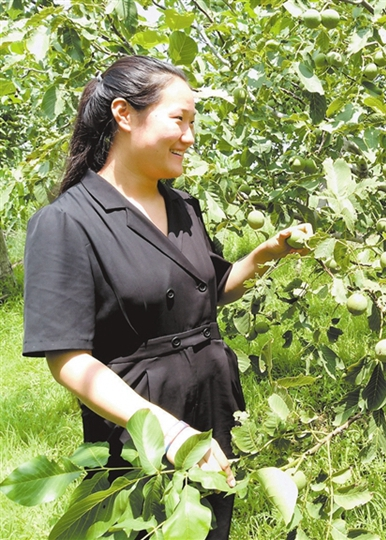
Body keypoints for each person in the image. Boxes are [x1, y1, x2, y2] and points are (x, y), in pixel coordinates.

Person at [22, 55, 312, 540]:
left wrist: (267, 254)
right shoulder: (67, 222)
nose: (190, 137)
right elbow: (68, 359)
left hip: (213, 402)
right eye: (179, 119)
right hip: (140, 424)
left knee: (211, 526)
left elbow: (211, 290)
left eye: (193, 122)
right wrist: (170, 432)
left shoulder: (182, 206)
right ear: (123, 114)